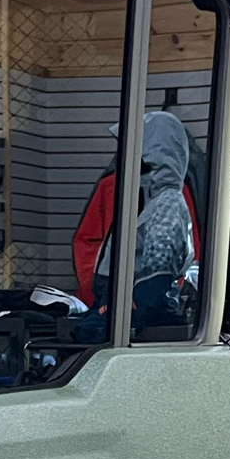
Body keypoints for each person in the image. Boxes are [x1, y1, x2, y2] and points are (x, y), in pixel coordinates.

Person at [70, 110, 200, 311]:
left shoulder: (170, 197)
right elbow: (88, 242)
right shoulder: (116, 185)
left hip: (132, 307)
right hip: (120, 304)